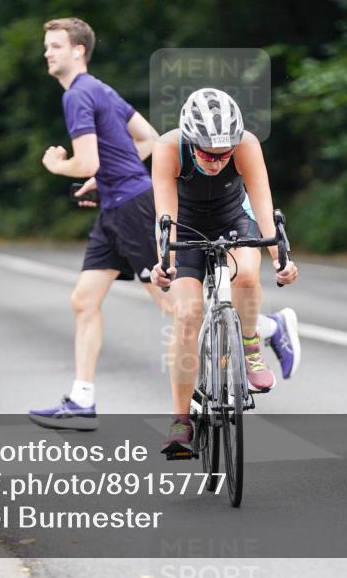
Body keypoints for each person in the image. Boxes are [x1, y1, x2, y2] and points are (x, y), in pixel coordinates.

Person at [29, 18, 300, 430]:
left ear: (78, 50)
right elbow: (147, 139)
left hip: (133, 205)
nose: (47, 52)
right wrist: (103, 181)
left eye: (54, 45)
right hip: (124, 205)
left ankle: (259, 327)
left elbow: (89, 159)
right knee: (85, 299)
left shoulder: (78, 94)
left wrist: (57, 165)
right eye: (46, 46)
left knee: (179, 306)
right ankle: (83, 397)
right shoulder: (102, 90)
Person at [150, 88, 300, 455]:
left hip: (235, 219)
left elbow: (263, 204)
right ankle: (180, 421)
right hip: (185, 226)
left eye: (223, 154)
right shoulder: (168, 148)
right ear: (190, 140)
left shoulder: (246, 144)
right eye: (206, 153)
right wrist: (165, 264)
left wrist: (281, 257)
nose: (216, 161)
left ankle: (250, 346)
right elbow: (165, 218)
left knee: (247, 274)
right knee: (187, 315)